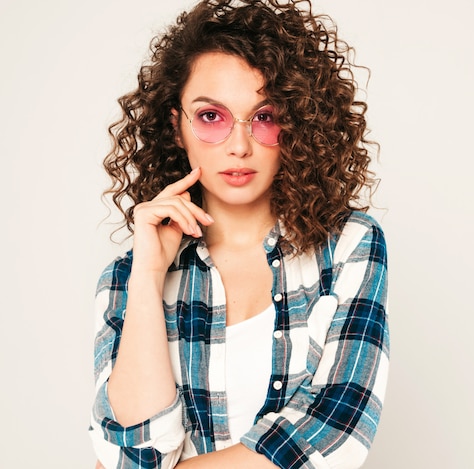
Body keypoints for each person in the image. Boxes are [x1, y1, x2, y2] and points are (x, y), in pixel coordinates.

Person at [88, 0, 389, 467]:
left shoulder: (347, 246)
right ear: (177, 126)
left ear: (295, 123)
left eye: (265, 116)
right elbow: (132, 451)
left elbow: (333, 433)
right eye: (211, 117)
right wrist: (148, 276)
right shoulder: (125, 278)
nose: (239, 145)